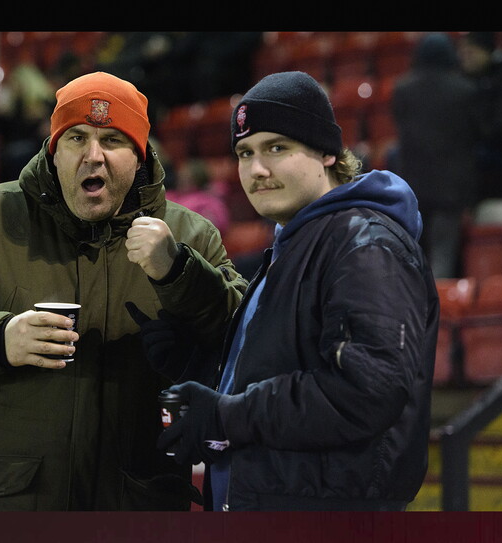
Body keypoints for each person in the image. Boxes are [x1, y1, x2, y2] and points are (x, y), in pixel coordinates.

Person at [0, 71, 248, 511]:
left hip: (133, 510)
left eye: (112, 140)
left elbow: (243, 344)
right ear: (53, 151)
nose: (94, 156)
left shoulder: (189, 236)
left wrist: (179, 272)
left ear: (141, 154)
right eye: (76, 138)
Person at [150, 71, 440, 511]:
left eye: (277, 148)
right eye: (245, 153)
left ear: (326, 153)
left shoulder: (363, 242)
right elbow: (283, 367)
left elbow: (367, 390)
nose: (257, 169)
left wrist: (225, 416)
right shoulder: (298, 241)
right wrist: (196, 363)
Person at [391, 32, 480, 278]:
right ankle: (442, 312)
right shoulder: (465, 91)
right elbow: (473, 138)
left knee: (411, 257)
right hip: (450, 191)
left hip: (413, 187)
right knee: (442, 258)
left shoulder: (402, 89)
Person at [457, 31, 502, 202]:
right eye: (462, 52)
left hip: (499, 155)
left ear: (487, 52)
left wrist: (475, 135)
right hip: (473, 149)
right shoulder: (462, 83)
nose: (465, 57)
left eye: (471, 52)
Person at [165, 158, 231, 235]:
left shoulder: (209, 200)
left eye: (188, 178)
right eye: (182, 175)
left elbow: (213, 227)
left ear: (198, 179)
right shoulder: (169, 195)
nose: (182, 179)